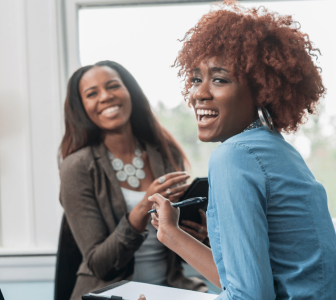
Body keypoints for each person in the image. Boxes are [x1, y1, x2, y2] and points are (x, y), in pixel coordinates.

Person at [148, 1, 336, 299]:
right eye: (197, 78)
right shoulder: (278, 150)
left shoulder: (234, 156)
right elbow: (245, 285)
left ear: (261, 90)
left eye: (219, 79)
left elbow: (249, 297)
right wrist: (171, 233)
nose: (198, 92)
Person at [59, 60, 209, 300]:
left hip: (169, 290)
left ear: (129, 92)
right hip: (109, 293)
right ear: (82, 108)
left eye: (113, 86)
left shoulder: (164, 151)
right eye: (92, 93)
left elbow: (177, 249)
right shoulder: (77, 167)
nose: (106, 96)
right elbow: (100, 264)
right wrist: (141, 210)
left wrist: (200, 237)